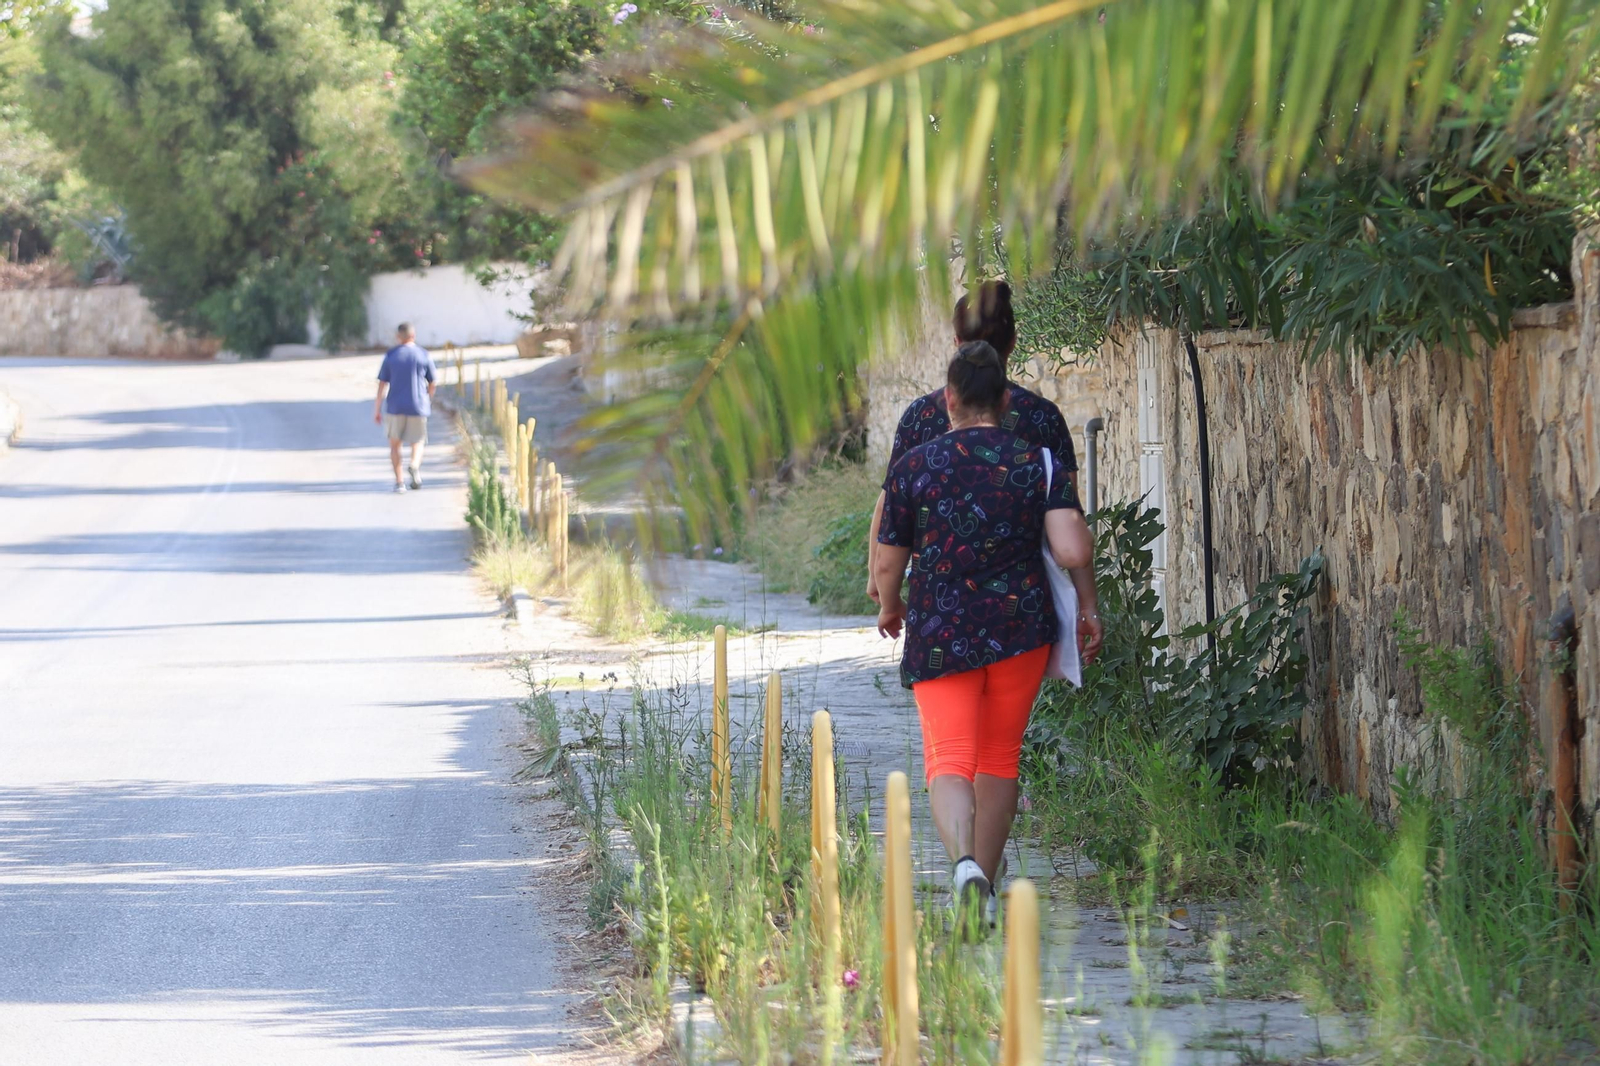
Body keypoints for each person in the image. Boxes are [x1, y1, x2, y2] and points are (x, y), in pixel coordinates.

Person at [873, 340, 1101, 927]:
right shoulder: (1036, 462)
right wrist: (1084, 597)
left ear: (948, 399)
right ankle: (986, 891)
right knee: (999, 757)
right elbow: (1072, 547)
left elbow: (886, 564)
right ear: (1004, 398)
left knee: (948, 757)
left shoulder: (913, 467)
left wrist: (891, 607)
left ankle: (964, 868)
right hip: (1021, 631)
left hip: (940, 630)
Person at [866, 281, 1087, 612]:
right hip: (1025, 610)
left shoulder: (921, 416)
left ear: (956, 344)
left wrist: (880, 583)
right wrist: (1087, 605)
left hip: (939, 611)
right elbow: (1069, 517)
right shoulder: (1042, 418)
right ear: (1013, 343)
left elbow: (889, 507)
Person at [373, 323, 437, 493]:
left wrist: (377, 409)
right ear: (413, 336)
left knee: (395, 445)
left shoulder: (391, 356)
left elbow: (382, 384)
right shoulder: (424, 354)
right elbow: (433, 383)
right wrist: (427, 400)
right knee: (418, 440)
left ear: (398, 337)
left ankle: (399, 482)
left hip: (395, 406)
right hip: (418, 406)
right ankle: (414, 465)